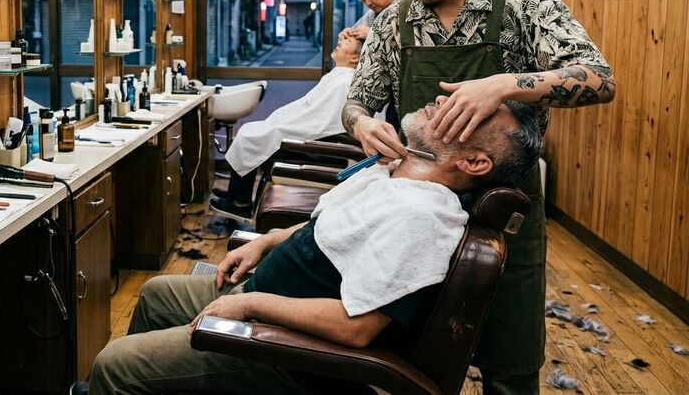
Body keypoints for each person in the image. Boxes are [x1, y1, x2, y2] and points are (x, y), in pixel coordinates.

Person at [341, 0, 615, 394]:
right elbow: (357, 100)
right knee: (403, 356)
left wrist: (509, 84)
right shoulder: (394, 22)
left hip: (501, 213)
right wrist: (361, 123)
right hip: (415, 213)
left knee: (509, 358)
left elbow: (601, 80)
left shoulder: (523, 2)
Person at [76, 99, 542, 395]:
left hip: (287, 356)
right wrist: (272, 241)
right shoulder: (397, 175)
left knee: (115, 365)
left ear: (475, 161)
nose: (444, 99)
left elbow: (356, 328)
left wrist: (251, 304)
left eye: (463, 111)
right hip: (267, 292)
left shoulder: (421, 218)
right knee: (159, 293)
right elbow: (338, 228)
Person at [210, 34, 365, 220]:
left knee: (253, 136)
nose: (339, 41)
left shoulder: (343, 83)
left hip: (316, 149)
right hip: (310, 139)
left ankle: (240, 202)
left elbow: (321, 123)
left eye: (346, 42)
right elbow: (313, 114)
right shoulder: (339, 76)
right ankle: (236, 195)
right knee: (253, 132)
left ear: (355, 58)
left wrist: (283, 126)